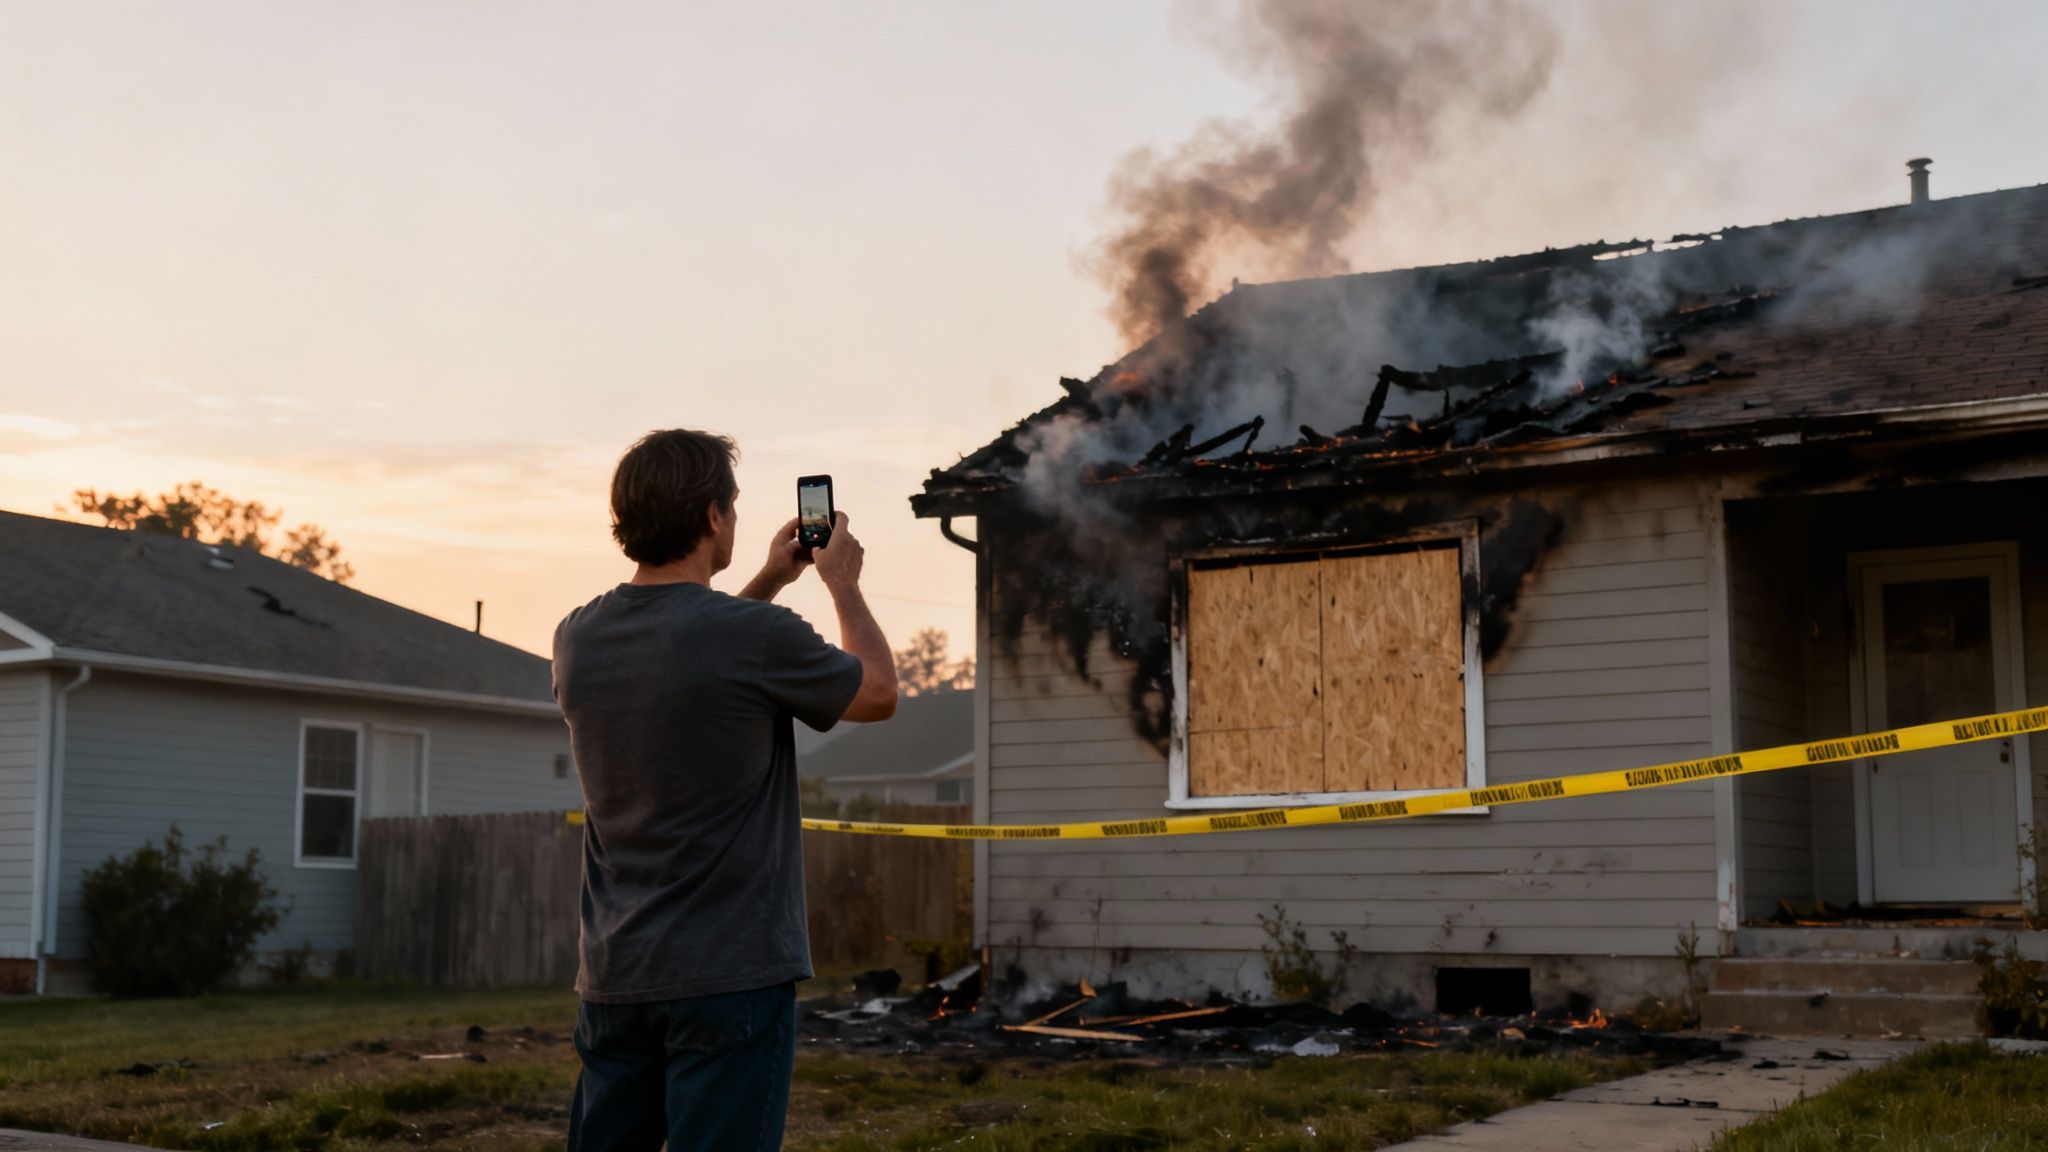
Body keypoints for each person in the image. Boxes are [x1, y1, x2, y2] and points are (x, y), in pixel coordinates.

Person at [552, 429, 897, 1151]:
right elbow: (877, 694)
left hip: (616, 978)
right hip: (728, 974)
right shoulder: (752, 636)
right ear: (712, 517)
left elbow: (688, 650)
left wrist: (771, 576)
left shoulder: (578, 637)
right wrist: (842, 582)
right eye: (733, 507)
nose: (736, 520)